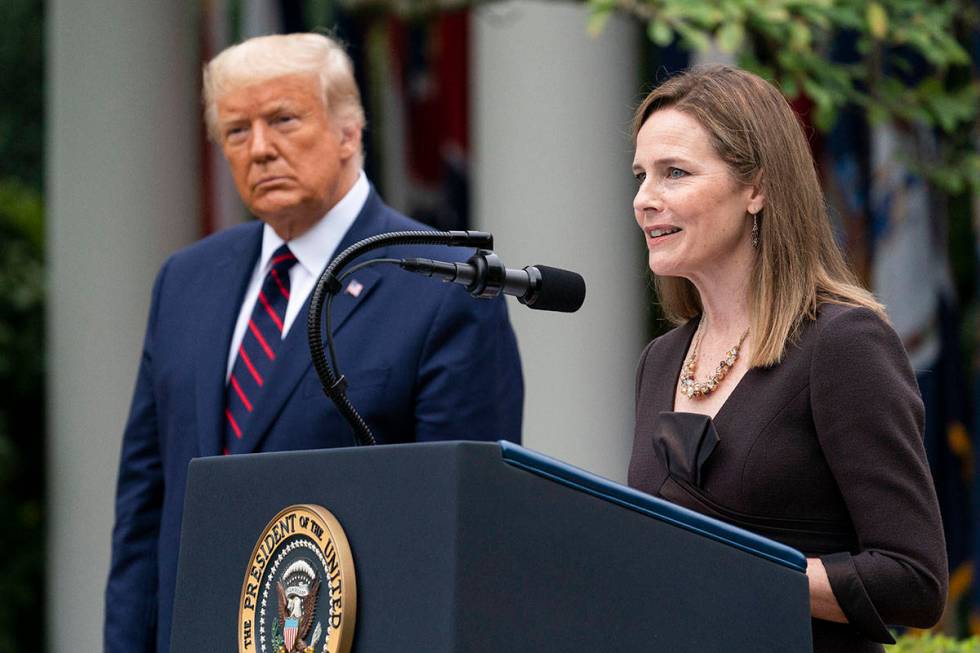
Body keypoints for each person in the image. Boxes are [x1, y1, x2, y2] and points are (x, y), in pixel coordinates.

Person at [104, 33, 523, 652]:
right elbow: (144, 509)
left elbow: (467, 534)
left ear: (349, 131)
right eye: (237, 131)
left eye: (283, 119)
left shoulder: (442, 283)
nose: (261, 149)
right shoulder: (185, 281)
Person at [627, 65, 946, 652]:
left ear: (758, 188)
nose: (645, 199)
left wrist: (734, 566)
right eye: (642, 175)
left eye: (675, 173)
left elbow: (914, 579)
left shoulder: (843, 345)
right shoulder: (661, 360)